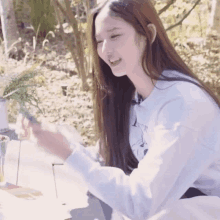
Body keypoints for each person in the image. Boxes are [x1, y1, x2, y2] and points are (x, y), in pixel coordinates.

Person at [17, 0, 220, 219]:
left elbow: (140, 202)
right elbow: (107, 165)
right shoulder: (133, 97)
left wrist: (67, 152)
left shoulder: (183, 106)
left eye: (115, 36)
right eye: (99, 41)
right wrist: (57, 142)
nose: (105, 50)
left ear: (148, 34)